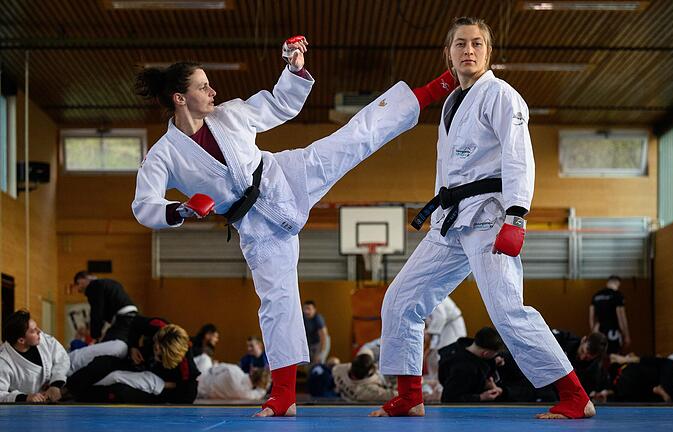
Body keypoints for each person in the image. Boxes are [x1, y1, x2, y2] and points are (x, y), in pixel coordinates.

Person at [131, 34, 456, 417]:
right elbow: (144, 205)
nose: (213, 90)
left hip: (285, 177)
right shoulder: (164, 154)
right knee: (276, 301)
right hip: (255, 227)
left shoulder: (230, 114)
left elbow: (280, 103)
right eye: (203, 86)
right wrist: (181, 211)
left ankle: (440, 86)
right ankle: (283, 396)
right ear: (180, 98)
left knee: (354, 138)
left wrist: (294, 69)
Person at [372, 17, 594, 420]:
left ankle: (575, 395)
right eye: (460, 44)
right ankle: (409, 395)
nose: (468, 50)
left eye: (477, 43)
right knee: (401, 299)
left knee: (507, 309)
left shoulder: (501, 95)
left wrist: (516, 216)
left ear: (488, 52)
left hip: (490, 216)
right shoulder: (453, 102)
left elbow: (518, 156)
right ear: (448, 54)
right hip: (451, 218)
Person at [67, 323, 200, 404]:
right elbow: (134, 324)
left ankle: (74, 392)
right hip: (135, 364)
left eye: (159, 353)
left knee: (119, 387)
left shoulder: (187, 372)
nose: (156, 352)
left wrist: (165, 386)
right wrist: (133, 346)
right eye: (155, 347)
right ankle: (66, 382)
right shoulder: (158, 327)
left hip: (154, 388)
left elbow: (187, 396)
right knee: (111, 355)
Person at [0, 310, 70, 403]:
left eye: (36, 327)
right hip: (24, 409)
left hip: (51, 399)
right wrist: (25, 398)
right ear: (21, 340)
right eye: (33, 331)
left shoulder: (43, 339)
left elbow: (62, 359)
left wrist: (55, 384)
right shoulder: (4, 361)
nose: (39, 331)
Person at [437, 327, 504, 403]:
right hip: (461, 411)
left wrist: (493, 364)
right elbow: (449, 399)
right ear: (486, 354)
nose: (495, 357)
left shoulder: (459, 347)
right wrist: (481, 397)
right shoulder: (465, 369)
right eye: (494, 354)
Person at [73, 271, 138, 343]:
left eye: (78, 285)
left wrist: (95, 335)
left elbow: (97, 312)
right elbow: (103, 314)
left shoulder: (93, 286)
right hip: (133, 315)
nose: (80, 290)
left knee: (107, 345)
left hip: (122, 317)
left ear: (81, 280)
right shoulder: (109, 282)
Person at [425, 296, 466, 382]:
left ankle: (443, 384)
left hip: (452, 329)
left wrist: (429, 333)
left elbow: (440, 317)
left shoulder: (432, 295)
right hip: (443, 329)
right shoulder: (425, 296)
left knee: (446, 357)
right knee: (432, 357)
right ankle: (435, 383)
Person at [590, 275, 630, 354]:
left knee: (599, 354)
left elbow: (591, 317)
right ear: (617, 283)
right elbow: (621, 317)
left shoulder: (596, 296)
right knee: (614, 355)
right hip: (613, 331)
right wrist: (626, 335)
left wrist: (593, 332)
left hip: (599, 330)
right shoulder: (617, 295)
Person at [198, 363, 271, 401]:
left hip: (203, 377)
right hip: (202, 392)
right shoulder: (245, 394)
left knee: (205, 357)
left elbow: (213, 369)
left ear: (253, 371)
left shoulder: (235, 370)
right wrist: (265, 384)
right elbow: (260, 393)